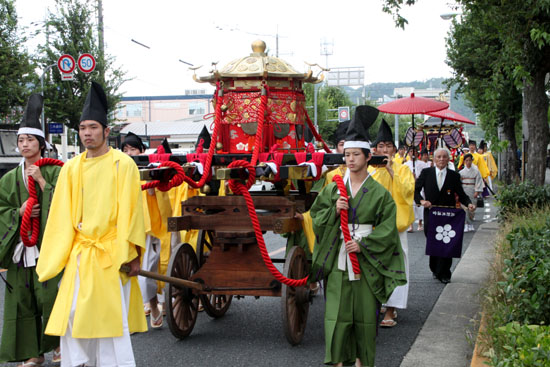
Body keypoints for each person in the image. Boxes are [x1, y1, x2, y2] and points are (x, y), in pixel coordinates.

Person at [36, 81, 147, 367]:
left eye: (93, 127)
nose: (87, 133)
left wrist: (132, 253)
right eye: (83, 128)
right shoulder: (71, 167)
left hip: (112, 252)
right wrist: (54, 259)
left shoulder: (124, 164)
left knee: (110, 320)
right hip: (81, 253)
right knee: (72, 314)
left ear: (106, 131)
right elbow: (60, 215)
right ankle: (78, 363)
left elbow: (132, 213)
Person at [310, 112, 406, 367]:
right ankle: (339, 362)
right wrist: (334, 210)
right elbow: (316, 216)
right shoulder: (334, 187)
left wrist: (363, 245)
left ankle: (363, 362)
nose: (349, 159)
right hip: (340, 259)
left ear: (367, 157)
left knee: (364, 319)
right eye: (347, 154)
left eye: (355, 154)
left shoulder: (378, 192)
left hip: (365, 260)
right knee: (337, 316)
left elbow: (387, 228)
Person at [0, 94, 62, 366]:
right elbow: (1, 210)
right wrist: (19, 212)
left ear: (41, 144)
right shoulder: (8, 179)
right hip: (20, 248)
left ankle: (58, 344)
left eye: (30, 140)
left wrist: (42, 184)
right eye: (21, 141)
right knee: (21, 302)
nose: (25, 145)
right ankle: (33, 353)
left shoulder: (55, 172)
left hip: (48, 246)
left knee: (49, 297)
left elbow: (65, 202)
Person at [369, 119, 415, 328]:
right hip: (375, 227)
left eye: (388, 146)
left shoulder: (403, 169)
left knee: (397, 266)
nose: (385, 149)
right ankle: (379, 301)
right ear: (375, 149)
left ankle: (391, 308)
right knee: (375, 266)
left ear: (394, 149)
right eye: (381, 146)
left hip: (396, 226)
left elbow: (407, 192)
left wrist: (391, 171)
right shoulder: (371, 170)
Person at [122, 132, 169, 328]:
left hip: (147, 226)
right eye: (125, 150)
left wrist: (152, 189)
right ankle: (140, 311)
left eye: (133, 149)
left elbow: (164, 198)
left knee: (147, 268)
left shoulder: (152, 170)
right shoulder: (120, 171)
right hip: (123, 227)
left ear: (142, 151)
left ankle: (157, 305)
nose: (129, 153)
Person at [415, 147, 475, 284]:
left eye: (444, 157)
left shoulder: (454, 176)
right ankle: (435, 268)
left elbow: (461, 194)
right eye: (438, 157)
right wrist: (421, 201)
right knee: (434, 241)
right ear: (434, 159)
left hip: (448, 215)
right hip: (431, 214)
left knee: (447, 242)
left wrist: (469, 204)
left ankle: (445, 273)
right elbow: (415, 191)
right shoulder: (426, 173)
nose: (441, 159)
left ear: (448, 159)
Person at [405, 148, 431, 232]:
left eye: (415, 152)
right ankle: (410, 225)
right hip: (409, 186)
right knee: (410, 206)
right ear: (409, 153)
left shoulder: (422, 164)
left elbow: (426, 174)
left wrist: (418, 178)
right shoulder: (405, 165)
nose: (413, 153)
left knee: (420, 205)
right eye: (412, 151)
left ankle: (420, 223)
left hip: (420, 187)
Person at [459, 154, 483, 232]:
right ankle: (466, 224)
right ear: (464, 162)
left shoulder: (476, 171)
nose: (468, 162)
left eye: (469, 160)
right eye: (466, 160)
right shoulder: (461, 172)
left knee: (471, 208)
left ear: (472, 161)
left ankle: (470, 224)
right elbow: (458, 183)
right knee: (464, 208)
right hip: (464, 189)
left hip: (472, 189)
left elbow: (478, 182)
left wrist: (477, 191)